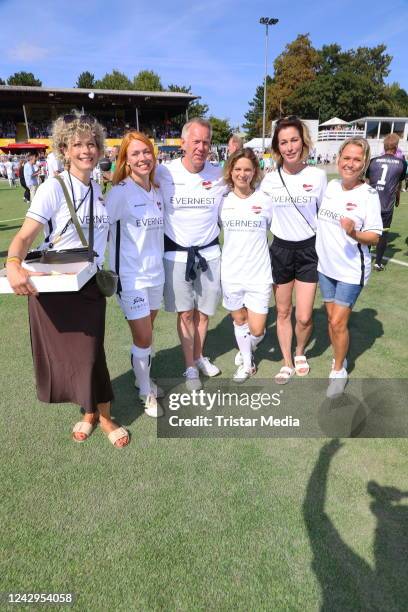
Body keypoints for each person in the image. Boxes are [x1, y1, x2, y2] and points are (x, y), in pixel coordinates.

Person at [5, 112, 129, 448]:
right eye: (77, 144)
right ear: (65, 148)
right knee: (73, 357)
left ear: (100, 148)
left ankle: (100, 414)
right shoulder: (53, 187)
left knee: (90, 354)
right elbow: (24, 237)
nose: (86, 150)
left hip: (89, 284)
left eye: (91, 144)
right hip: (55, 288)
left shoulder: (99, 186)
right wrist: (13, 263)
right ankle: (92, 413)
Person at [156, 118, 225, 390]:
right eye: (196, 141)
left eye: (206, 142)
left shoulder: (219, 174)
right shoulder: (164, 172)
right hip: (176, 257)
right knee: (185, 314)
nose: (201, 147)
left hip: (210, 255)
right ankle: (189, 367)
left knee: (204, 314)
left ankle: (199, 356)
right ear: (183, 143)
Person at [261, 116, 327, 384]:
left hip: (309, 251)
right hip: (280, 250)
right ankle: (287, 361)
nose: (290, 147)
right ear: (278, 146)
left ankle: (300, 351)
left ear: (304, 142)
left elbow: (325, 216)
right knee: (283, 312)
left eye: (294, 140)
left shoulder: (318, 176)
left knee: (304, 315)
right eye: (283, 142)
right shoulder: (268, 180)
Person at [316, 138, 382, 398]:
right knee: (332, 323)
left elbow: (375, 236)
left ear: (364, 163)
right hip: (326, 268)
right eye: (347, 158)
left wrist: (354, 233)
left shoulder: (368, 195)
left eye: (357, 159)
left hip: (352, 270)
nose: (350, 164)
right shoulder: (331, 186)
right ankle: (339, 356)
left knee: (337, 322)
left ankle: (338, 369)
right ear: (338, 158)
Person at [106, 132, 164, 417]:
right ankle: (145, 391)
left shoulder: (156, 189)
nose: (142, 158)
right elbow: (102, 231)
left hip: (156, 275)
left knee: (148, 336)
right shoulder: (120, 192)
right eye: (135, 154)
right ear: (126, 161)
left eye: (146, 152)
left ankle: (143, 376)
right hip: (130, 277)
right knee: (143, 337)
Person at [220, 148, 273, 381]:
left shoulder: (265, 200)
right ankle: (247, 363)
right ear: (230, 171)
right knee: (239, 320)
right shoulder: (222, 201)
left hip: (259, 274)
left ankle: (246, 348)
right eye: (238, 169)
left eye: (247, 170)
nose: (242, 174)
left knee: (258, 329)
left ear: (255, 172)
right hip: (231, 273)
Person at [366, 133, 407, 271]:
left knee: (367, 230)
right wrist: (398, 199)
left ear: (384, 147)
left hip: (370, 203)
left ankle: (363, 259)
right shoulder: (401, 163)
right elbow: (397, 184)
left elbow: (367, 182)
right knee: (383, 233)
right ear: (396, 148)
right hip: (386, 204)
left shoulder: (373, 161)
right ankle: (378, 263)